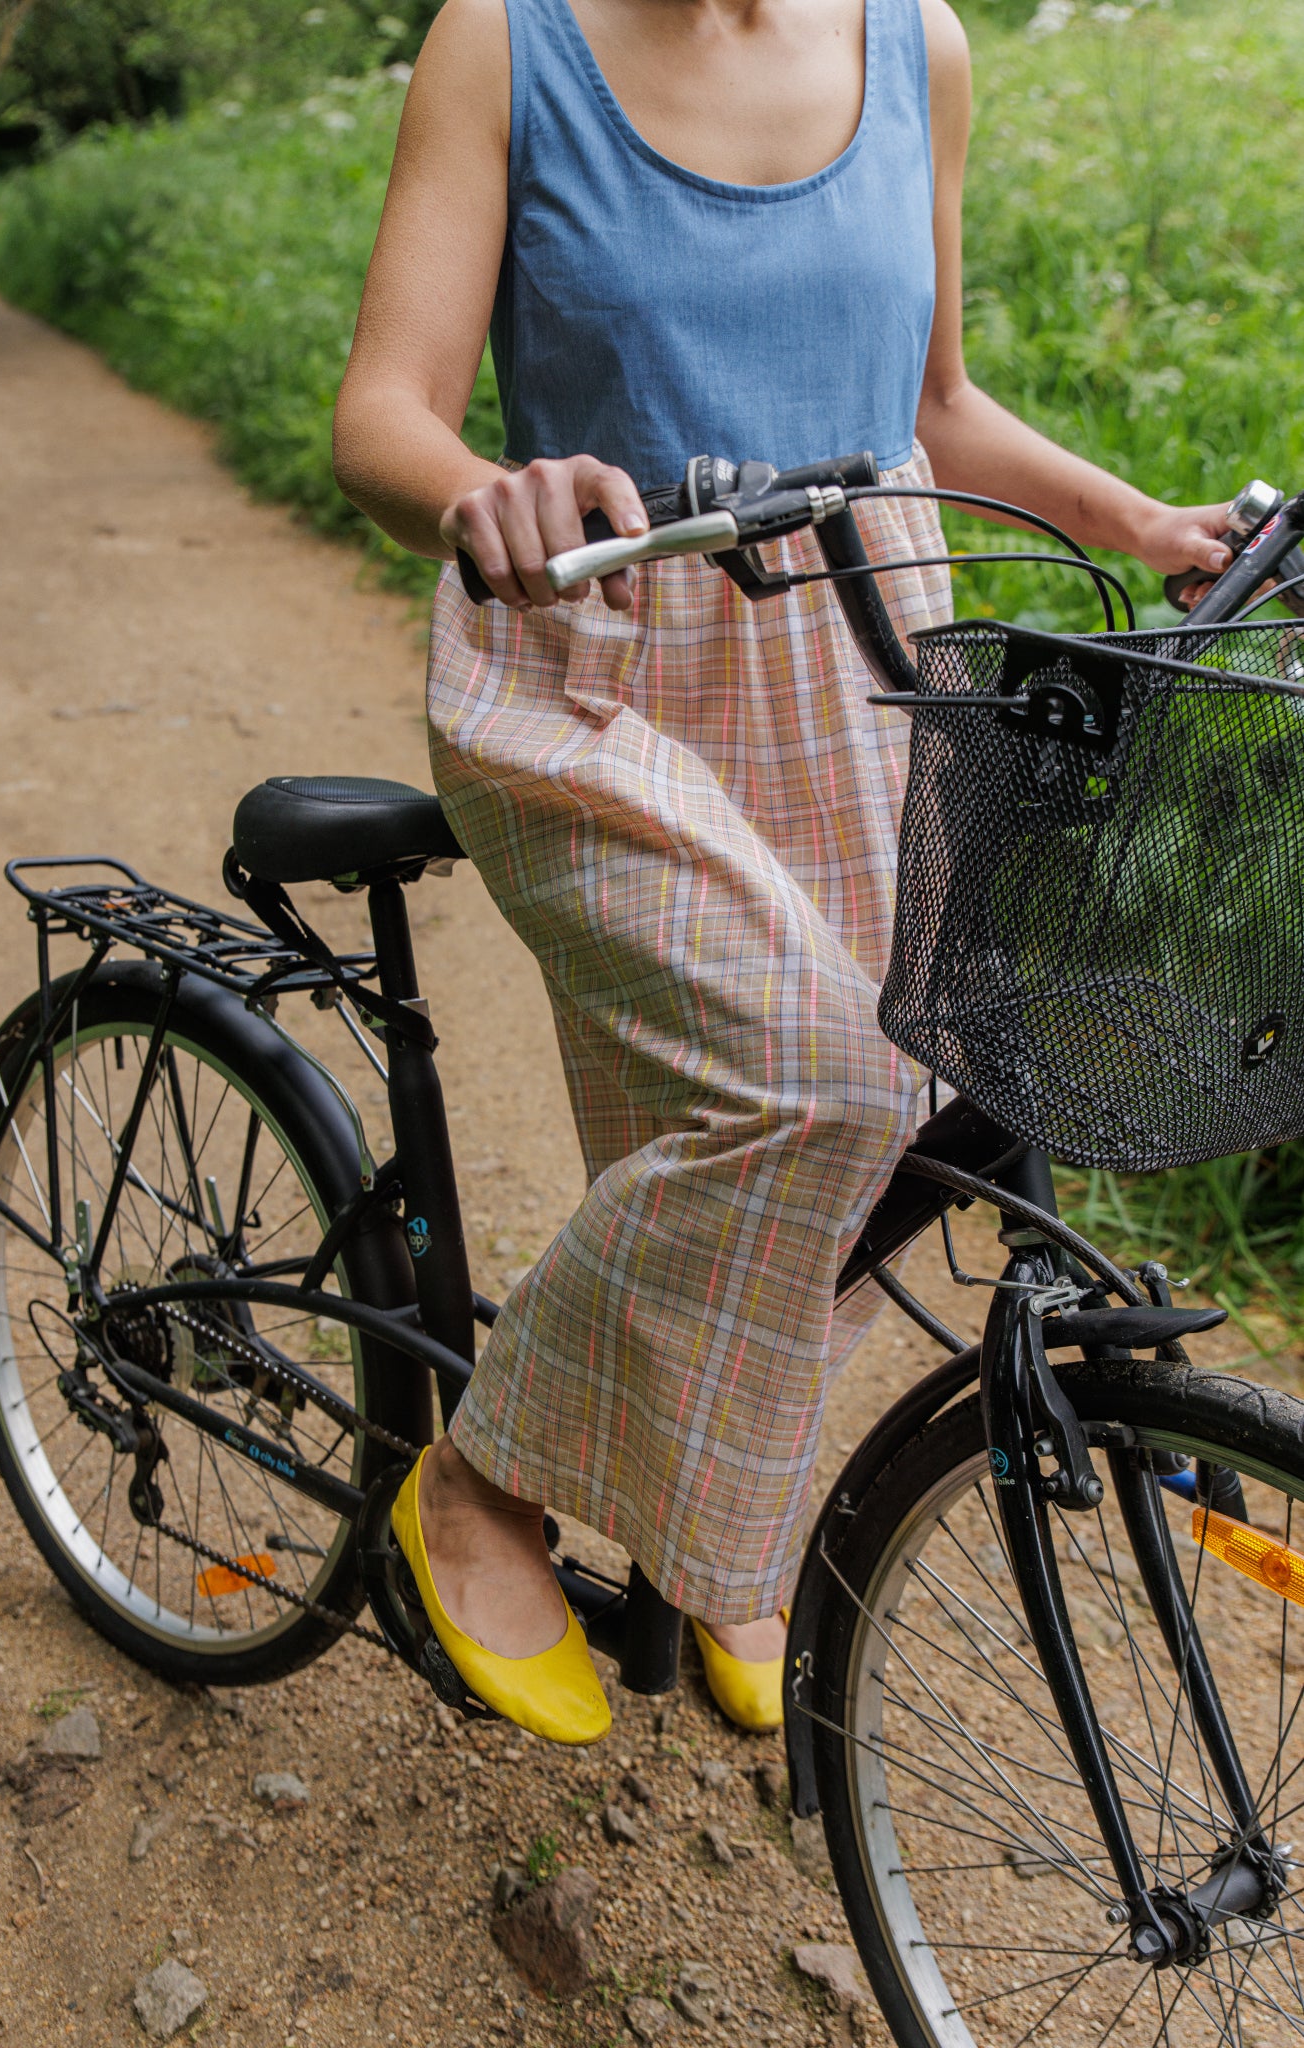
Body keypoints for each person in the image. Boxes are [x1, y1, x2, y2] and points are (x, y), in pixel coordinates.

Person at [333, 0, 1232, 1744]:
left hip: (860, 662)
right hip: (594, 661)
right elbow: (383, 412)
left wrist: (1137, 521)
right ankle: (481, 1479)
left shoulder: (919, 48)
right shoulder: (507, 42)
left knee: (884, 1113)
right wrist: (477, 494)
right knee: (813, 1081)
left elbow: (931, 407)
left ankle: (700, 1526)